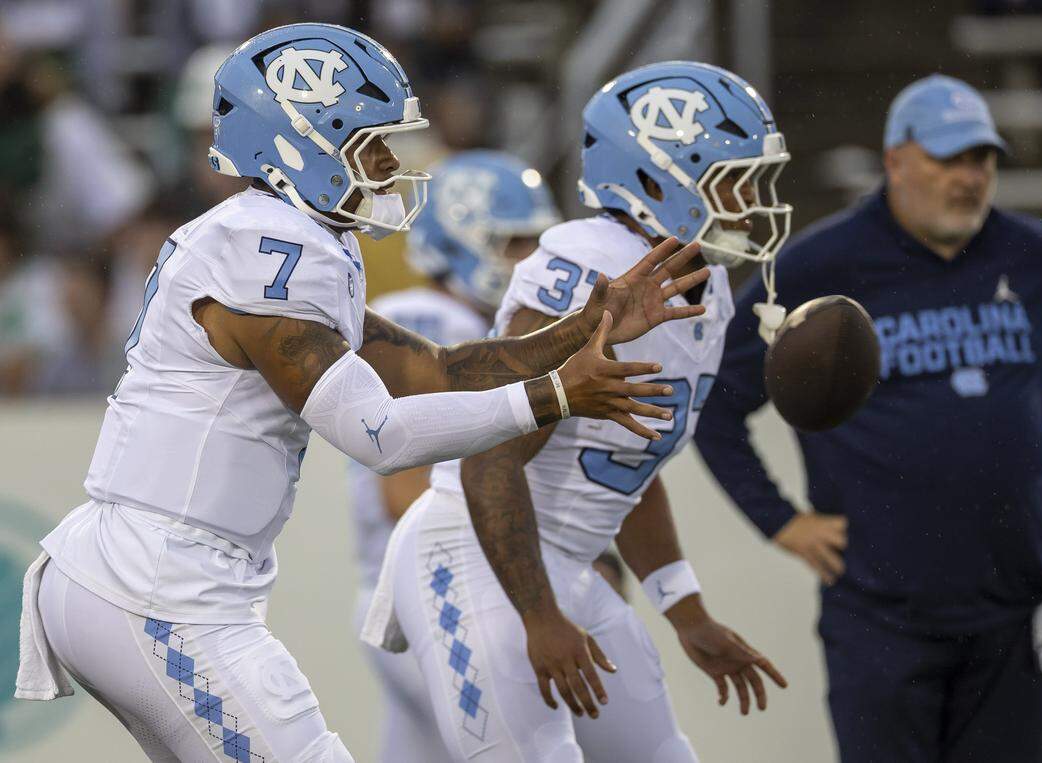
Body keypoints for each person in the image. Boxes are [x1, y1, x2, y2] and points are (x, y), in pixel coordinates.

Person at [14, 25, 713, 762]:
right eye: (370, 142)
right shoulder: (263, 251)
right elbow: (379, 434)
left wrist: (585, 326)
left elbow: (436, 369)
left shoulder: (288, 238)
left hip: (160, 576)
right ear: (298, 148)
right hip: (158, 583)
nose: (389, 164)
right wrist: (552, 396)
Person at [365, 60, 791, 762]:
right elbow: (489, 451)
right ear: (657, 181)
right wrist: (539, 614)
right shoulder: (584, 268)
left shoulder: (706, 289)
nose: (750, 198)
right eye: (731, 177)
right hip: (474, 550)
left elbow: (632, 464)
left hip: (564, 560)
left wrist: (688, 613)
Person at [694, 74, 1042, 762]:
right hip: (881, 614)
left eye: (981, 160)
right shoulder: (822, 262)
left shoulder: (1033, 253)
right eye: (948, 159)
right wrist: (780, 520)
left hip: (1010, 608)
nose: (969, 178)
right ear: (895, 159)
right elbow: (717, 400)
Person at [348, 149, 561, 762]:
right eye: (514, 240)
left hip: (417, 594)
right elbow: (402, 492)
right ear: (464, 239)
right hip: (438, 591)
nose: (530, 260)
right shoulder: (426, 320)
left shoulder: (461, 325)